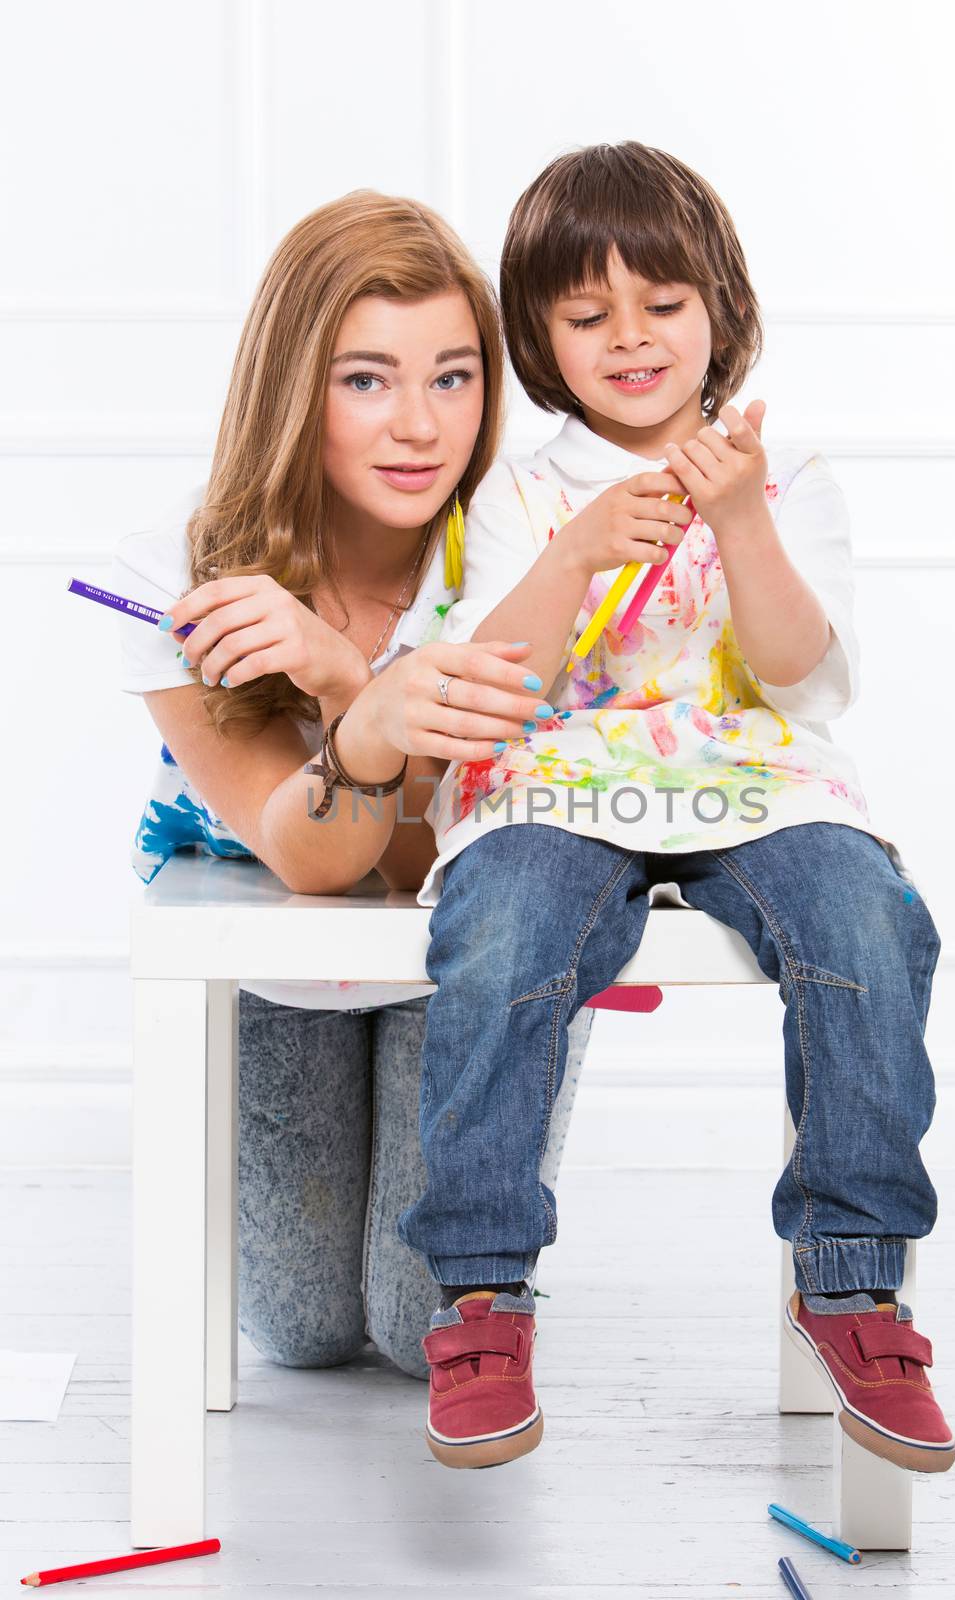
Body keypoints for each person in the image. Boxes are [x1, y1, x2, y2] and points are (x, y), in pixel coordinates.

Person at [397, 142, 955, 1474]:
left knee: (867, 923)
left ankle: (851, 1283)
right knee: (500, 931)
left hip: (756, 775)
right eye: (586, 318)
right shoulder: (516, 484)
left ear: (721, 308)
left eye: (661, 305)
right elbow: (492, 685)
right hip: (557, 776)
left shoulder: (786, 472)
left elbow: (796, 680)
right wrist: (579, 550)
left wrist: (741, 520)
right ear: (539, 338)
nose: (629, 339)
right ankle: (480, 1292)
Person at [111, 188, 596, 1381]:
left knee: (408, 1320)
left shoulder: (526, 546)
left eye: (454, 376)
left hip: (475, 951)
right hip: (286, 956)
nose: (419, 425)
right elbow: (316, 864)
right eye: (366, 379)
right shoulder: (180, 570)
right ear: (295, 389)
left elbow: (431, 864)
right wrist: (361, 703)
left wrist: (341, 677)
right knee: (303, 1331)